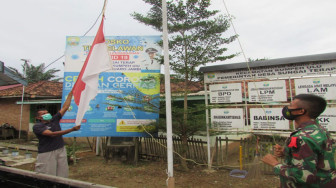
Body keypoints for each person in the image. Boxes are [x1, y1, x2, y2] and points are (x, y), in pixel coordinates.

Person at [262, 94, 336, 187]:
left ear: (301, 111)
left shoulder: (301, 137)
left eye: (291, 105)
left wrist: (275, 164)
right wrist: (287, 152)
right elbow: (317, 158)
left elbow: (305, 176)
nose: (287, 108)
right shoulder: (321, 130)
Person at [33, 90, 80, 178]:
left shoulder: (54, 120)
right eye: (43, 114)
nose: (46, 114)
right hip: (47, 152)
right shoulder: (38, 126)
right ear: (38, 117)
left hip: (60, 149)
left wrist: (70, 94)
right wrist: (72, 129)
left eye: (47, 112)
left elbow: (65, 107)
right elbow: (52, 134)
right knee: (47, 175)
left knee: (62, 174)